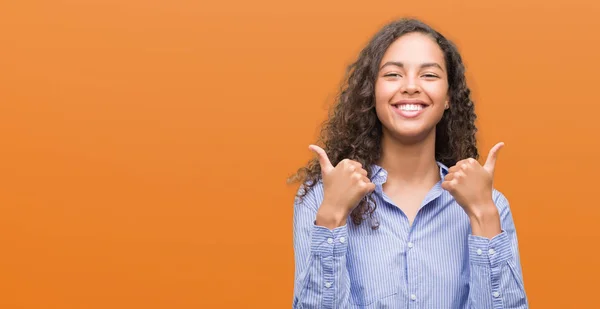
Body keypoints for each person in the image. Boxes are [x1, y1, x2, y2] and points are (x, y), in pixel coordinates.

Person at [287, 18, 529, 309]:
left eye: (429, 75)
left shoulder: (492, 206)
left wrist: (482, 214)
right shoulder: (320, 199)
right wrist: (333, 216)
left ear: (449, 96)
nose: (411, 87)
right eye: (393, 75)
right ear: (372, 92)